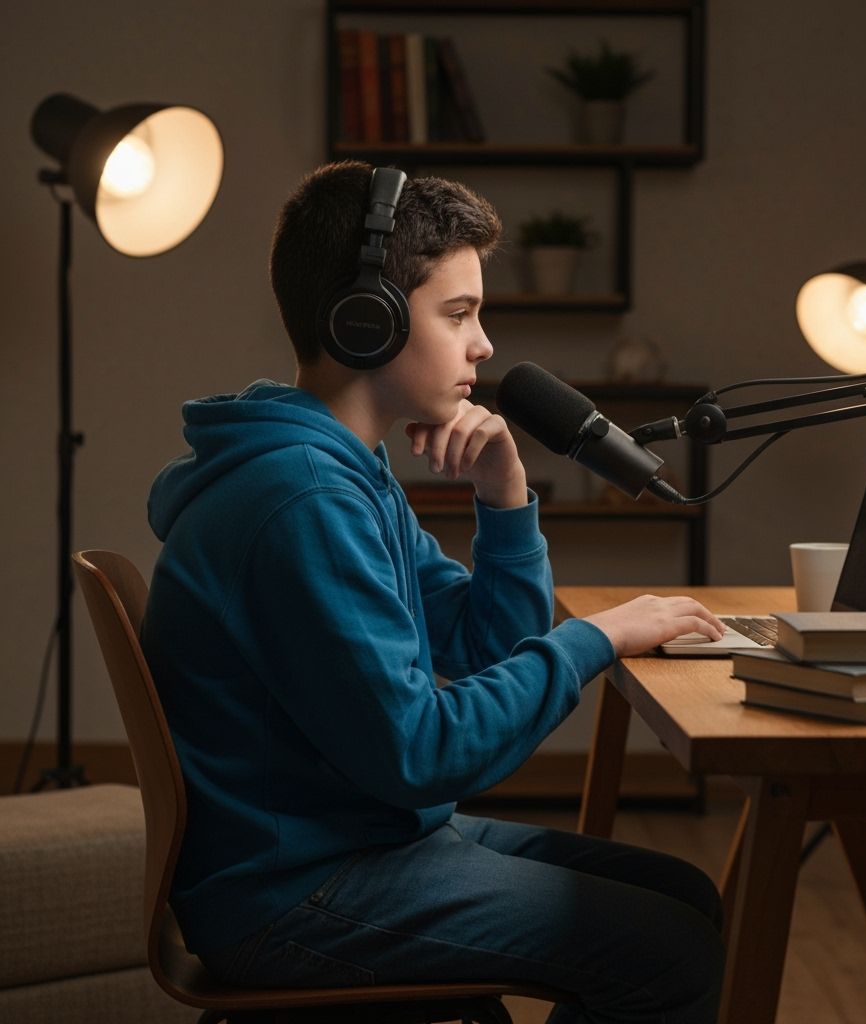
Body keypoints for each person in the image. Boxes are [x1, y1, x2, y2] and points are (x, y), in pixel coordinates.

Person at [141, 160, 727, 1024]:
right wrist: (595, 640)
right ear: (365, 321)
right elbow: (422, 754)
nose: (483, 345)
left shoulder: (339, 470)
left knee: (687, 897)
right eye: (458, 314)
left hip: (356, 840)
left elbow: (486, 646)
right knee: (671, 951)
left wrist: (505, 498)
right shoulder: (304, 499)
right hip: (298, 890)